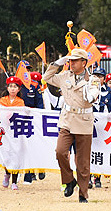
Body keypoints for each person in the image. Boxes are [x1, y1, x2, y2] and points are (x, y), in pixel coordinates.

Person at [43, 48, 100, 203]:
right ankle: (69, 180)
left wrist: (92, 95)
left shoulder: (92, 79)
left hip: (83, 121)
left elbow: (95, 92)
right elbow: (46, 77)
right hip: (67, 120)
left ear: (84, 62)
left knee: (82, 162)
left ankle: (83, 194)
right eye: (70, 60)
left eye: (75, 60)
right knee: (60, 151)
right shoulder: (65, 76)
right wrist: (57, 63)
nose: (72, 63)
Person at [17, 61, 45, 184]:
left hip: (32, 120)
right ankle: (15, 174)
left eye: (28, 69)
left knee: (31, 147)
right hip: (17, 120)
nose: (26, 72)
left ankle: (31, 173)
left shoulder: (34, 85)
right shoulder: (15, 85)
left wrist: (38, 116)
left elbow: (39, 103)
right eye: (24, 69)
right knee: (18, 148)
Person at [0, 76, 24, 191]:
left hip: (16, 132)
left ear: (18, 89)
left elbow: (22, 115)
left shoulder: (20, 102)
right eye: (11, 86)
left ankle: (14, 181)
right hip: (5, 132)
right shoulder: (1, 101)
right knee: (6, 154)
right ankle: (7, 174)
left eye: (15, 87)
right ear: (7, 88)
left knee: (16, 155)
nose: (13, 89)